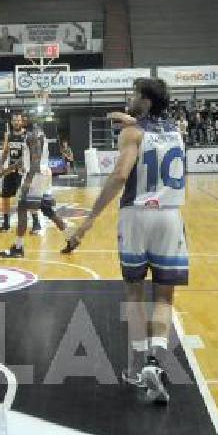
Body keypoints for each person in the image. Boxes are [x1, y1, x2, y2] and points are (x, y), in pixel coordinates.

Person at [62, 78, 186, 405]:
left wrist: (88, 221)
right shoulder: (175, 130)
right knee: (164, 297)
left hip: (136, 215)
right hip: (170, 216)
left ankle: (134, 369)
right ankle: (154, 363)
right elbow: (150, 126)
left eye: (134, 95)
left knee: (134, 293)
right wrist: (131, 118)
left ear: (145, 101)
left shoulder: (131, 134)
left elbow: (119, 175)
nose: (130, 99)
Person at [0, 115, 70, 258]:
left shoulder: (32, 136)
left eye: (22, 120)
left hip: (35, 176)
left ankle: (18, 248)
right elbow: (25, 161)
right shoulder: (37, 135)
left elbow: (34, 162)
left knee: (22, 208)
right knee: (48, 210)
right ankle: (71, 238)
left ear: (27, 122)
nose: (20, 121)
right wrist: (6, 170)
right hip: (41, 174)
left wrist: (27, 182)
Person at [0, 113, 37, 233]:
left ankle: (36, 223)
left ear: (22, 122)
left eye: (18, 120)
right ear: (11, 122)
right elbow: (5, 152)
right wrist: (0, 165)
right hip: (10, 170)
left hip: (23, 170)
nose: (16, 122)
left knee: (27, 198)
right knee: (5, 196)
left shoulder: (27, 136)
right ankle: (6, 223)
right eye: (14, 120)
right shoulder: (8, 135)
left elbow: (29, 156)